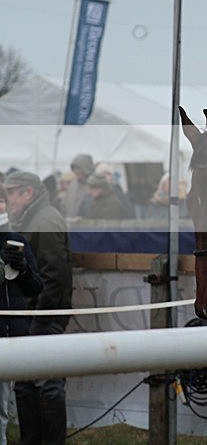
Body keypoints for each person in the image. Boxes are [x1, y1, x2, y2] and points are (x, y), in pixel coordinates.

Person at [3, 171, 73, 444]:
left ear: (27, 193)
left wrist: (38, 317)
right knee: (26, 384)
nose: (7, 201)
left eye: (10, 193)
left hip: (43, 315)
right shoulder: (35, 218)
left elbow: (54, 276)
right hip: (34, 314)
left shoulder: (45, 220)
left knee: (46, 384)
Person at [0, 185, 43, 445]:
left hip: (10, 332)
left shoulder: (18, 241)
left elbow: (35, 287)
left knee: (2, 408)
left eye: (1, 201)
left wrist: (23, 268)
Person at [61, 153, 94, 219]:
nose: (76, 171)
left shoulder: (94, 184)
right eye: (74, 168)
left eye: (78, 168)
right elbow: (65, 204)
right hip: (71, 224)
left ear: (86, 167)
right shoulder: (73, 185)